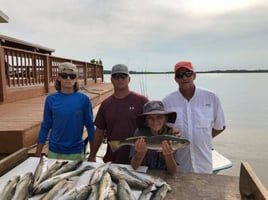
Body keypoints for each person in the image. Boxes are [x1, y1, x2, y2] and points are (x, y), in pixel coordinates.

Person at [162, 61, 226, 174]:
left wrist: (203, 137)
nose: (184, 77)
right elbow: (162, 130)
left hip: (204, 165)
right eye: (180, 75)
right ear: (175, 79)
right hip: (179, 166)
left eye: (188, 73)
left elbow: (220, 126)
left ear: (194, 75)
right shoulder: (167, 102)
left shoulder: (211, 97)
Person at [88, 64, 148, 164]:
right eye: (116, 76)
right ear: (111, 80)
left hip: (138, 161)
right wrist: (92, 155)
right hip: (112, 160)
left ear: (129, 79)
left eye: (123, 76)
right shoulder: (106, 104)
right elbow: (99, 131)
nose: (120, 79)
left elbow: (156, 124)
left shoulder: (142, 101)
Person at [35, 62, 95, 160]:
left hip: (76, 151)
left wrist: (92, 155)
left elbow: (90, 127)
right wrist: (38, 153)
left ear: (76, 78)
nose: (68, 79)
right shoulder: (50, 99)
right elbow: (45, 126)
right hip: (54, 151)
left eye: (72, 76)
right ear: (58, 77)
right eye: (64, 76)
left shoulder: (84, 100)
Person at [130, 100, 180, 175]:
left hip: (165, 178)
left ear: (165, 119)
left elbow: (173, 171)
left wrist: (168, 155)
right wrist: (140, 153)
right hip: (143, 176)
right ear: (146, 121)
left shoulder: (171, 135)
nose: (155, 121)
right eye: (150, 118)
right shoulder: (140, 133)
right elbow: (134, 166)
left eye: (159, 117)